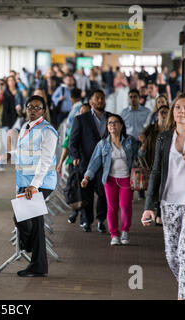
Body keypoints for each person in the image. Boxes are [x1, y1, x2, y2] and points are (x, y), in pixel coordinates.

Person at [141, 93, 185, 300]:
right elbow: (155, 172)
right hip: (168, 203)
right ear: (173, 111)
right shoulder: (164, 138)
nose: (181, 111)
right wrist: (149, 206)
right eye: (178, 107)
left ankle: (183, 297)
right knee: (171, 256)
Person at [8, 95, 58, 277]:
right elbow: (24, 152)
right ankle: (38, 265)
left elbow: (45, 160)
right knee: (30, 222)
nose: (32, 110)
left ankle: (31, 252)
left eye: (37, 107)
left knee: (23, 218)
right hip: (26, 181)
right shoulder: (25, 127)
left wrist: (34, 186)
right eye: (30, 107)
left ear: (43, 111)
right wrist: (10, 156)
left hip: (41, 182)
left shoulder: (47, 131)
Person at [81, 114, 145, 245]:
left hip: (127, 179)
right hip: (110, 180)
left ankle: (125, 231)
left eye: (115, 122)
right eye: (110, 123)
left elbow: (139, 155)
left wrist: (143, 146)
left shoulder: (130, 141)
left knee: (125, 206)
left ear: (121, 125)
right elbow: (95, 162)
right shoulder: (103, 144)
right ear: (107, 126)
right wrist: (87, 177)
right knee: (112, 208)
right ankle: (114, 234)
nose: (112, 125)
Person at [69, 90, 110, 233]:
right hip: (85, 162)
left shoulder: (111, 118)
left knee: (104, 192)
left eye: (102, 98)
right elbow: (72, 141)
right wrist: (75, 156)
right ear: (91, 102)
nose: (100, 101)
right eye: (97, 98)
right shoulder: (81, 119)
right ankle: (86, 221)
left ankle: (100, 220)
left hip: (105, 164)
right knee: (86, 194)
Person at [57, 103, 91, 224]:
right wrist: (60, 163)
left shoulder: (94, 128)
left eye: (86, 112)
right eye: (81, 112)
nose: (83, 114)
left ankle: (83, 217)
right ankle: (75, 212)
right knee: (73, 188)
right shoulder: (73, 128)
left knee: (85, 191)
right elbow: (66, 146)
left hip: (88, 165)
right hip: (74, 163)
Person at [140, 104, 170, 225]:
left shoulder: (173, 130)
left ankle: (160, 214)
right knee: (155, 187)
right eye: (162, 112)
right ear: (157, 115)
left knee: (164, 188)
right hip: (152, 162)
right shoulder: (150, 129)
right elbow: (142, 143)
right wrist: (142, 144)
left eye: (167, 112)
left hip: (167, 164)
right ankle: (154, 211)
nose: (164, 115)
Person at [0, 78, 17, 171]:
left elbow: (13, 112)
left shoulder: (9, 97)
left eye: (2, 84)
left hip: (5, 124)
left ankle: (1, 164)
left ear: (4, 86)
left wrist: (10, 125)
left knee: (2, 146)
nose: (0, 86)